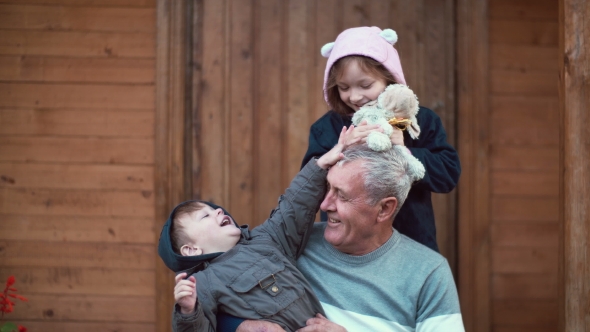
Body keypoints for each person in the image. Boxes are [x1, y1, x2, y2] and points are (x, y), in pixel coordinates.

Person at [229, 143, 465, 331]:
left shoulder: (428, 273)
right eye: (328, 188)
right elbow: (209, 289)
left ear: (384, 209)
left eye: (341, 196)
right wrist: (236, 326)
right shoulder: (292, 244)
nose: (324, 204)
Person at [158, 126, 367, 332]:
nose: (218, 212)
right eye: (206, 216)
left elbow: (293, 207)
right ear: (191, 250)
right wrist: (188, 311)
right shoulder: (203, 282)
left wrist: (320, 164)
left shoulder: (265, 239)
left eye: (216, 210)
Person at [301, 26, 461, 252]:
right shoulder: (326, 128)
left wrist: (405, 150)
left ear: (390, 78)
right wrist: (341, 150)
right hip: (346, 247)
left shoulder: (420, 121)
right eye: (344, 87)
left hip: (411, 242)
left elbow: (449, 174)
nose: (354, 96)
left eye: (365, 85)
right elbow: (309, 188)